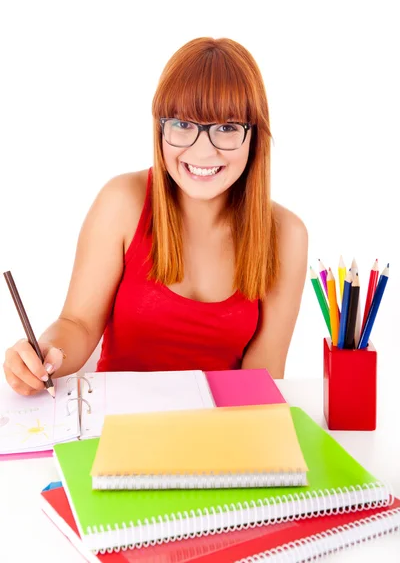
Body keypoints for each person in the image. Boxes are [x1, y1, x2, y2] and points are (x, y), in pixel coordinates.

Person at [3, 36, 308, 397]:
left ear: (254, 137)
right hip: (118, 428)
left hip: (218, 433)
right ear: (160, 129)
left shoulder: (286, 235)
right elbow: (78, 324)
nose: (202, 150)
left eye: (226, 128)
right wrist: (45, 355)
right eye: (182, 124)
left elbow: (263, 376)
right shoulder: (122, 202)